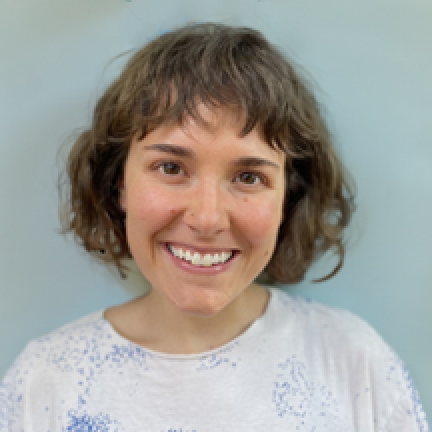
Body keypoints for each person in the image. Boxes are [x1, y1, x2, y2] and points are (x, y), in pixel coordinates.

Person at [0, 23, 428, 431]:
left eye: (248, 177)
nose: (207, 219)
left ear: (286, 200)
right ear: (119, 185)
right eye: (170, 167)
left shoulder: (352, 361)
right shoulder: (45, 382)